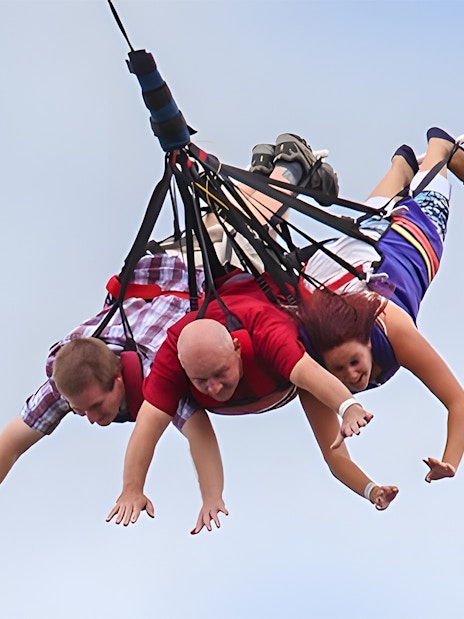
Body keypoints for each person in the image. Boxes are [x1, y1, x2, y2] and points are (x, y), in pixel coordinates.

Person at [0, 250, 232, 532]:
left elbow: (199, 431)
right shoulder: (67, 381)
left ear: (119, 377)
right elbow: (13, 441)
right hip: (147, 281)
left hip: (190, 274)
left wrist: (211, 497)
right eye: (80, 410)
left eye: (96, 405)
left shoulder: (154, 369)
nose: (90, 418)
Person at [294, 127, 464, 487]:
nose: (350, 376)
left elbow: (457, 400)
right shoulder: (313, 372)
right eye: (339, 370)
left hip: (410, 242)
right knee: (372, 216)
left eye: (353, 362)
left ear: (367, 342)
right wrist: (370, 490)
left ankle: (440, 148)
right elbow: (333, 453)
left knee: (429, 183)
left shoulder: (391, 326)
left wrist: (452, 457)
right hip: (361, 254)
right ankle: (401, 168)